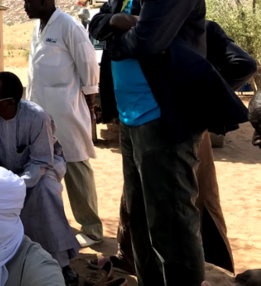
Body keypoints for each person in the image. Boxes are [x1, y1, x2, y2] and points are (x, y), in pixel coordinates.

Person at [89, 0, 247, 286]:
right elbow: (95, 27)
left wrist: (121, 30)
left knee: (172, 225)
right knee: (139, 221)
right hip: (131, 118)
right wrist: (119, 22)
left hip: (164, 118)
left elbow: (148, 41)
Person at [90, 18, 258, 275]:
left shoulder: (202, 29)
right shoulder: (156, 30)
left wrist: (203, 96)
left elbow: (243, 64)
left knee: (190, 200)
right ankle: (130, 257)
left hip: (180, 127)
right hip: (147, 124)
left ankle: (212, 270)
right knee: (142, 195)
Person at [0, 72, 80, 285]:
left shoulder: (36, 117)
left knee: (44, 192)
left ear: (10, 102)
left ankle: (60, 264)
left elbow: (40, 160)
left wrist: (16, 185)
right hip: (2, 170)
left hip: (42, 168)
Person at [24, 0, 103, 248]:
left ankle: (91, 228)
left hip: (67, 111)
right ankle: (54, 225)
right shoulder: (38, 28)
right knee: (44, 169)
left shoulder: (69, 26)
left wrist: (90, 107)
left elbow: (89, 66)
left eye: (28, 1)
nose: (24, 6)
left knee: (76, 166)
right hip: (40, 114)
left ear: (44, 1)